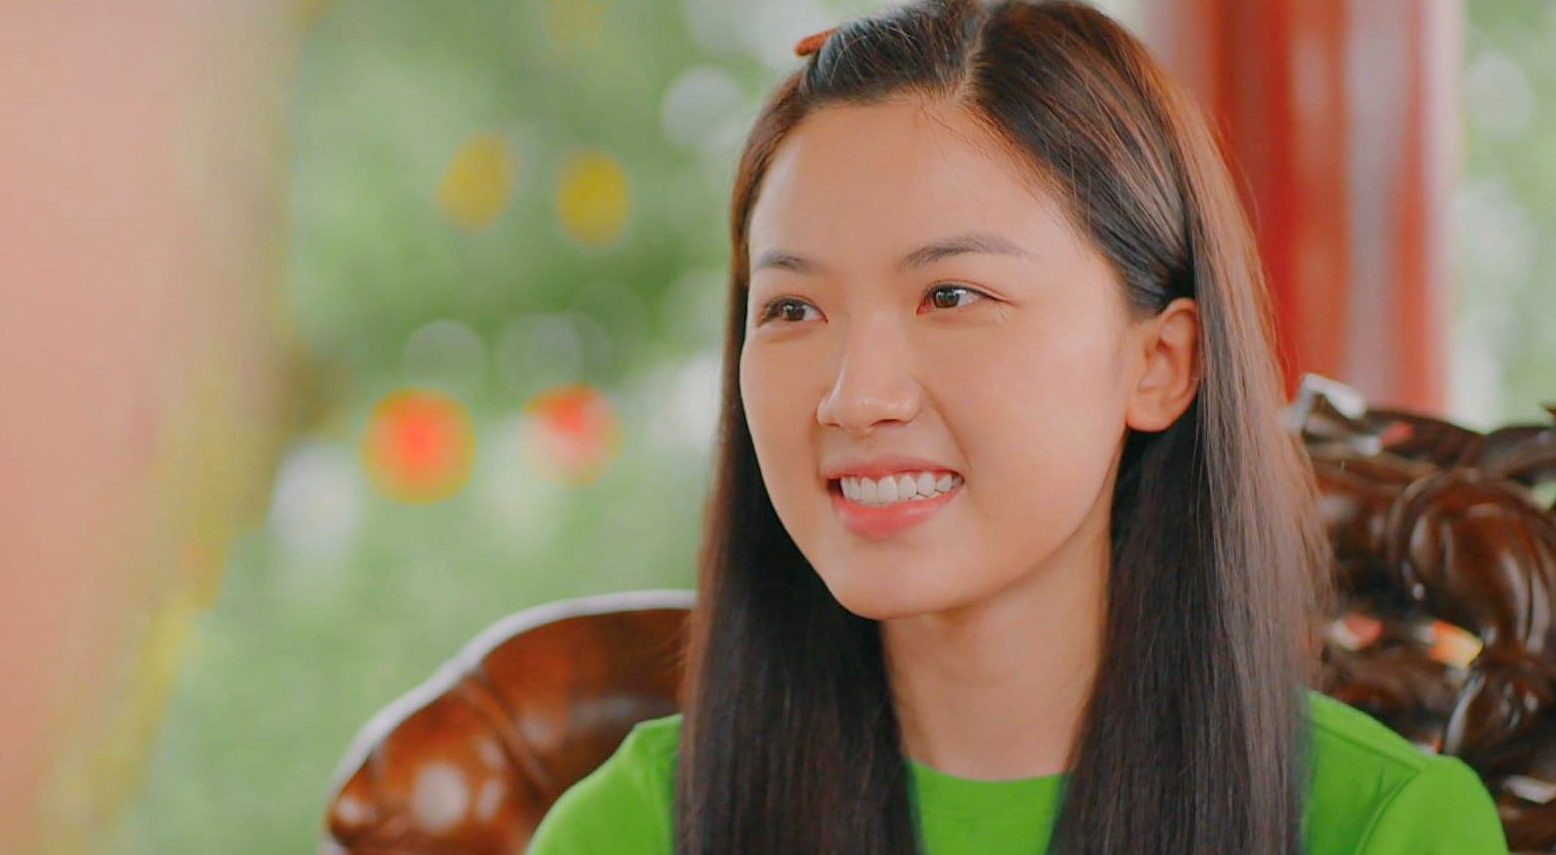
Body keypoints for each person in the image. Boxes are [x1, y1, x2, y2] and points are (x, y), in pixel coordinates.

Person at [526, 0, 1509, 852]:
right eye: (791, 308)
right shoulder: (631, 828)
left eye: (951, 295)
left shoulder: (1383, 828)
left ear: (1160, 363)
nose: (855, 397)